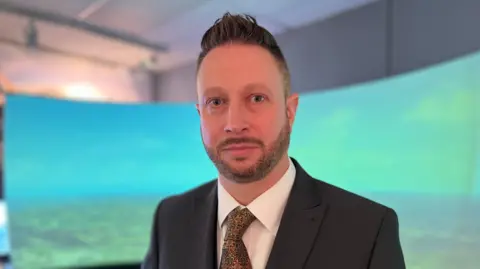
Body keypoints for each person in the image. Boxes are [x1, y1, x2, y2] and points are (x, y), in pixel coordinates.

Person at [142, 13, 406, 269]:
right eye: (216, 102)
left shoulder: (367, 230)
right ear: (200, 114)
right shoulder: (170, 219)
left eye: (256, 98)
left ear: (290, 112)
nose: (234, 123)